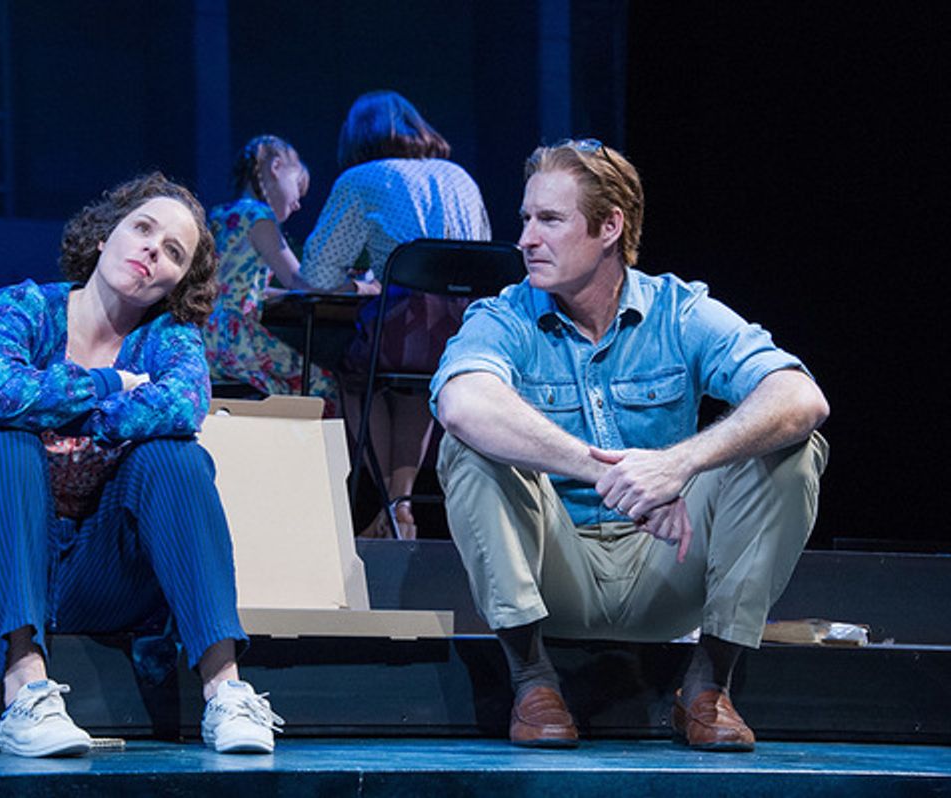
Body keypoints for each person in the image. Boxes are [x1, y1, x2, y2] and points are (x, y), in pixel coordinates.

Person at [431, 140, 829, 751]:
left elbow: (800, 396)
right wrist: (604, 471)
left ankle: (707, 686)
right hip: (555, 568)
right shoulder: (505, 315)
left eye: (550, 220)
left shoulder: (679, 311)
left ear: (609, 226)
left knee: (792, 449)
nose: (526, 239)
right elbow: (462, 403)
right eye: (525, 219)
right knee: (470, 446)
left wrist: (679, 464)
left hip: (666, 565)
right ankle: (533, 680)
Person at [0, 172, 283, 757]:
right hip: (2, 564)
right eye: (143, 229)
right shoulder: (22, 307)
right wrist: (110, 385)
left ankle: (225, 693)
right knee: (3, 441)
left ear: (177, 282)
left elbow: (182, 405)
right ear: (105, 236)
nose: (153, 249)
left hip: (98, 575)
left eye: (174, 252)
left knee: (175, 455)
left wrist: (53, 410)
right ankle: (26, 694)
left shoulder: (169, 339)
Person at [300, 90, 491, 538]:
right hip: (469, 332)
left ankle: (389, 503)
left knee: (351, 375)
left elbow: (317, 272)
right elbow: (480, 255)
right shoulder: (459, 176)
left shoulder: (362, 178)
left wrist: (365, 283)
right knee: (416, 381)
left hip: (408, 325)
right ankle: (399, 505)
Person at [204, 135, 340, 414]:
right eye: (297, 189)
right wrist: (356, 287)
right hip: (235, 339)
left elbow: (234, 285)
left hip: (205, 336)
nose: (298, 204)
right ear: (276, 167)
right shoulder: (260, 217)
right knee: (322, 386)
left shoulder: (219, 215)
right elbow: (301, 281)